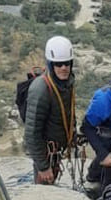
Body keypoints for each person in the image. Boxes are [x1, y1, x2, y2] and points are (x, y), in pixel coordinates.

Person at [24, 36, 77, 185]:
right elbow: (31, 132)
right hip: (46, 153)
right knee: (44, 189)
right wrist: (43, 167)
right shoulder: (41, 89)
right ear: (51, 64)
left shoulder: (67, 83)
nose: (64, 68)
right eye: (58, 64)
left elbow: (67, 111)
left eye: (67, 63)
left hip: (56, 152)